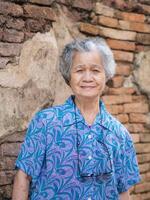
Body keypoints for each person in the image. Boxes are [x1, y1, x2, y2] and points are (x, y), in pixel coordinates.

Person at [12, 37, 141, 200]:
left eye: (95, 70)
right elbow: (23, 177)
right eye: (79, 70)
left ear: (106, 76)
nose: (88, 78)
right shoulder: (45, 122)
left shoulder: (120, 134)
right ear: (68, 76)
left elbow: (123, 191)